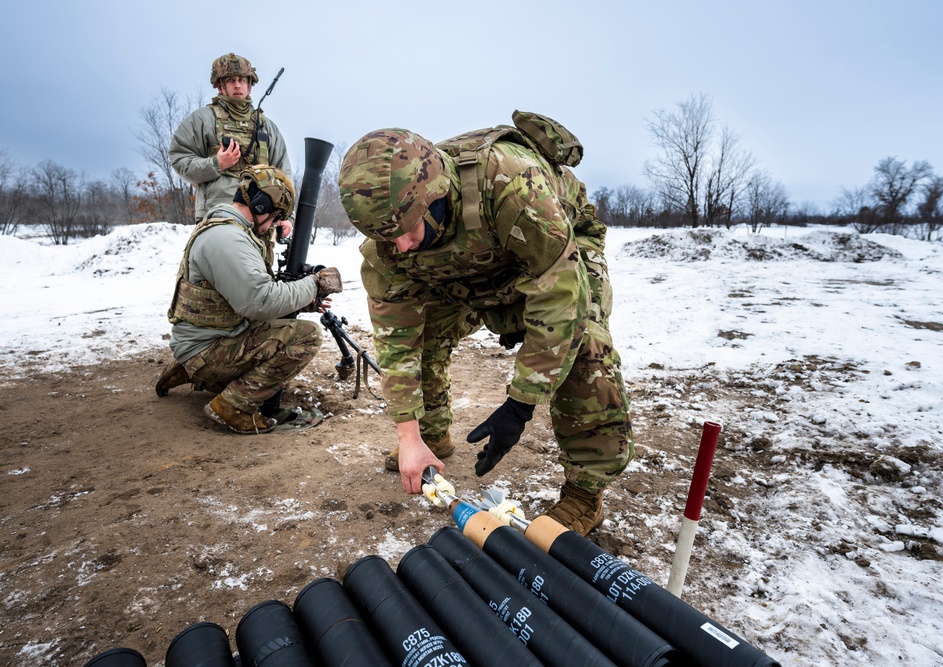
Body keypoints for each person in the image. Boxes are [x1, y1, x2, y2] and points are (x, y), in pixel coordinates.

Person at [337, 116, 633, 535]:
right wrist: (408, 435)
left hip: (554, 253)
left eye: (406, 231)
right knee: (423, 335)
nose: (399, 246)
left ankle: (586, 494)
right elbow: (396, 340)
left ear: (433, 196)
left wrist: (521, 404)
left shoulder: (511, 185)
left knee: (583, 342)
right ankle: (431, 438)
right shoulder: (391, 239)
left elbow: (560, 299)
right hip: (469, 270)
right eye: (387, 238)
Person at [157, 164, 343, 434]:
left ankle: (194, 371)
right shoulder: (228, 239)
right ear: (260, 207)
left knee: (279, 328)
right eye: (275, 217)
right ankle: (231, 406)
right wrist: (313, 285)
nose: (274, 226)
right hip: (207, 348)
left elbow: (242, 296)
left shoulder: (228, 230)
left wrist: (304, 300)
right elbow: (260, 302)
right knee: (307, 336)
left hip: (209, 336)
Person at [169, 53, 293, 227]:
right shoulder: (203, 120)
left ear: (249, 86)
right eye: (231, 80)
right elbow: (180, 159)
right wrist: (216, 164)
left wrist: (286, 217)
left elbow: (284, 175)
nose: (237, 85)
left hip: (260, 222)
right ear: (220, 86)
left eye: (242, 80)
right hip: (217, 219)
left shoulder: (267, 127)